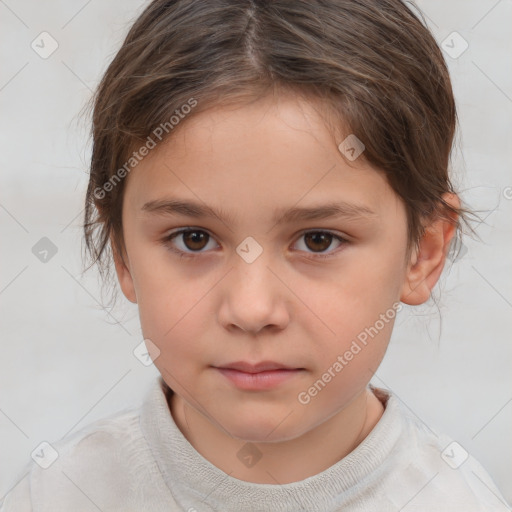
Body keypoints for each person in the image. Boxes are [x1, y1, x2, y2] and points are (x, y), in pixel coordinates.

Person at [2, 0, 510, 510]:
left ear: (422, 254)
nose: (250, 309)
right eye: (193, 239)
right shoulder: (58, 495)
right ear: (124, 253)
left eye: (318, 240)